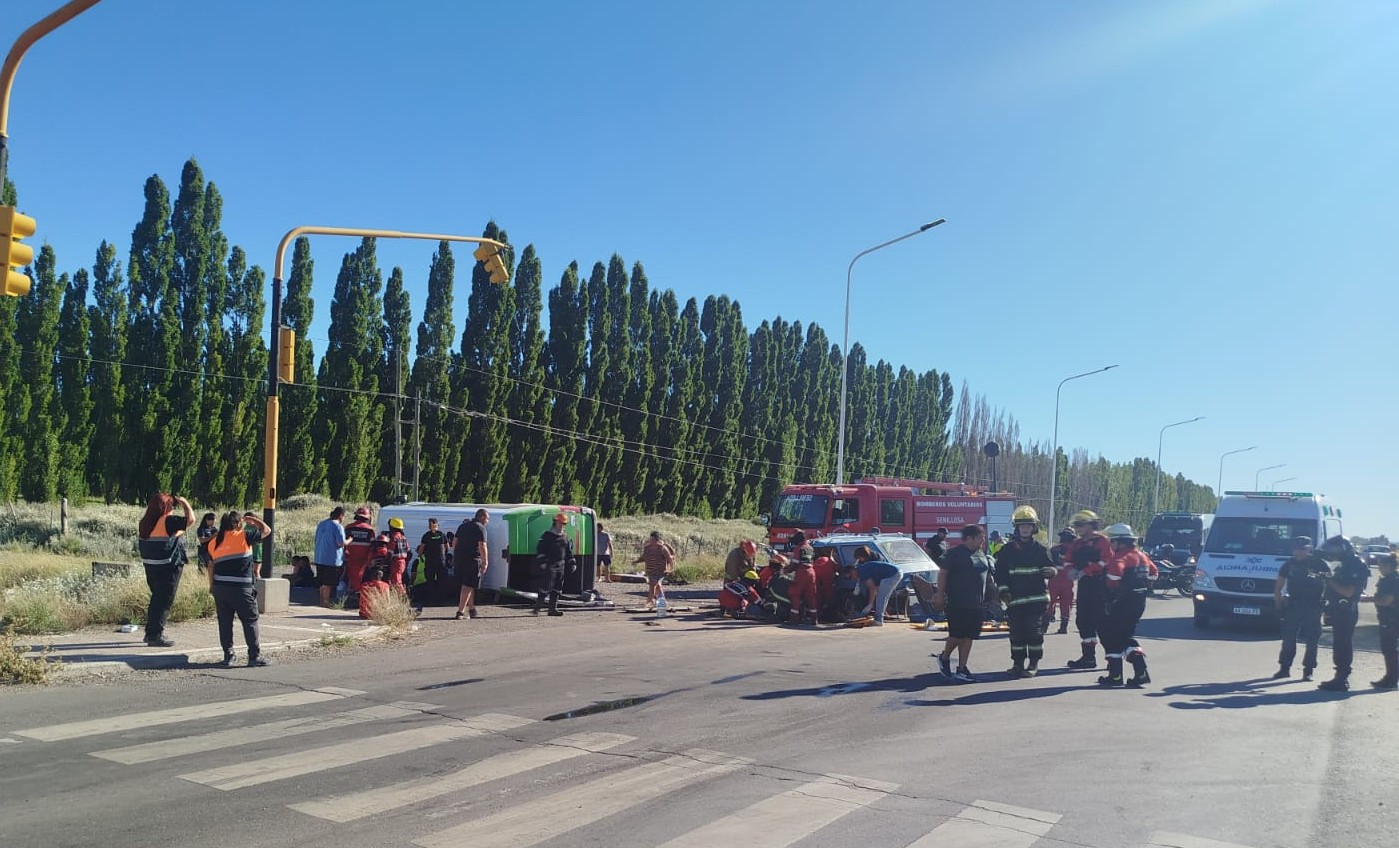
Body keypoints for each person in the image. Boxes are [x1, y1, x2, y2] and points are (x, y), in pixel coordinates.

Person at [204, 511, 271, 667]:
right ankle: (254, 656)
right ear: (238, 523)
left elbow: (211, 566)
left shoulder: (214, 541)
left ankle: (229, 655)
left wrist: (212, 586)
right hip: (241, 588)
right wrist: (254, 520)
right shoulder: (244, 535)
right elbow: (267, 530)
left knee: (225, 623)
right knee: (250, 621)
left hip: (220, 588)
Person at [994, 506, 1056, 678]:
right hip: (1015, 600)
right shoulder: (1007, 551)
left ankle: (1033, 664)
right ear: (1017, 528)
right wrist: (1003, 591)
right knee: (1016, 634)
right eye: (1022, 526)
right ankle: (1017, 664)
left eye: (1028, 525)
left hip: (1036, 600)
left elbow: (1050, 567)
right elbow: (1000, 573)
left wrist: (1052, 571)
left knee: (1034, 633)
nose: (1025, 528)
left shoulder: (1040, 549)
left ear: (1034, 527)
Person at [1097, 523, 1156, 687]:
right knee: (1125, 636)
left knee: (1112, 637)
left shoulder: (1120, 557)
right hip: (1138, 604)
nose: (1111, 545)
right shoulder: (1142, 556)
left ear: (1120, 542)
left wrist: (1109, 592)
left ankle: (1116, 676)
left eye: (1112, 541)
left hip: (1120, 604)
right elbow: (1154, 573)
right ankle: (1140, 672)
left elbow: (1113, 578)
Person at [934, 524, 995, 683]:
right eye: (980, 538)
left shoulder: (981, 554)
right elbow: (943, 573)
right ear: (969, 538)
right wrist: (940, 595)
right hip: (957, 602)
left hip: (976, 603)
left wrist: (993, 595)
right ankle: (944, 657)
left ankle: (962, 668)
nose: (983, 541)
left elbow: (987, 576)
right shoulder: (955, 554)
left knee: (969, 637)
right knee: (956, 636)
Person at [137, 492, 194, 648]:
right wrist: (185, 503)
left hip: (151, 566)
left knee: (156, 600)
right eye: (172, 506)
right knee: (163, 602)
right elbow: (190, 520)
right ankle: (154, 635)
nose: (173, 509)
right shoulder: (168, 521)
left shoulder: (146, 522)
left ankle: (151, 632)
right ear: (166, 507)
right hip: (168, 567)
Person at [1271, 536, 1330, 681]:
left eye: (1303, 549)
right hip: (1293, 606)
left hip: (1313, 605)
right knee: (1289, 639)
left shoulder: (1320, 564)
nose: (1299, 552)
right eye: (1297, 549)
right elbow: (1278, 587)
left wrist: (1328, 606)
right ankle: (1284, 668)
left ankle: (1308, 670)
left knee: (1312, 640)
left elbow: (1330, 584)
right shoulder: (1289, 564)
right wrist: (1278, 607)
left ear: (1310, 549)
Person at [1317, 536, 1369, 692]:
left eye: (1335, 551)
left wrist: (1329, 580)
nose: (1333, 554)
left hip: (1347, 610)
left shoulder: (1356, 565)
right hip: (1338, 610)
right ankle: (1339, 676)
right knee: (1339, 644)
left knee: (1343, 644)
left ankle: (1342, 679)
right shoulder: (1344, 565)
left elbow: (1348, 592)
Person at [1064, 510, 1114, 670]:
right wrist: (1071, 570)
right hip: (1085, 586)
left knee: (1102, 623)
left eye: (1081, 525)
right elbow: (1068, 559)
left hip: (1100, 585)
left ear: (1091, 525)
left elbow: (1106, 560)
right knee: (1083, 620)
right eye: (1076, 526)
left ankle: (1113, 659)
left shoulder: (1102, 541)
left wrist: (1086, 570)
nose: (1078, 529)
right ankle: (1088, 658)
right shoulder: (1077, 544)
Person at [534, 511, 576, 616]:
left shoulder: (565, 537)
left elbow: (568, 552)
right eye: (560, 523)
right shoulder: (547, 535)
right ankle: (537, 608)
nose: (562, 525)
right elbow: (540, 550)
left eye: (564, 524)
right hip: (550, 565)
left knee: (557, 588)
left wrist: (572, 563)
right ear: (555, 522)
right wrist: (543, 563)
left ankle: (552, 609)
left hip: (561, 565)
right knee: (546, 586)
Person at [454, 509, 490, 620]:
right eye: (488, 519)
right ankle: (460, 612)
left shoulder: (462, 526)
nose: (488, 521)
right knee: (468, 586)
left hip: (460, 559)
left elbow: (454, 542)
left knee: (468, 585)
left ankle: (472, 609)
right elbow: (482, 546)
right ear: (482, 517)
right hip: (473, 560)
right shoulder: (481, 528)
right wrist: (485, 562)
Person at [853, 545, 901, 627]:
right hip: (891, 574)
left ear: (863, 556)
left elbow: (872, 588)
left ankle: (879, 620)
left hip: (890, 575)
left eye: (859, 558)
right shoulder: (865, 562)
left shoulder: (876, 558)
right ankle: (879, 616)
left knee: (881, 597)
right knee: (882, 597)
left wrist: (870, 604)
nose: (859, 560)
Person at [1370, 554, 1398, 690]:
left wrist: (1369, 599)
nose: (1379, 567)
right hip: (1390, 618)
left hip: (1392, 619)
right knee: (1389, 649)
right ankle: (1391, 677)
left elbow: (1387, 601)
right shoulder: (1390, 579)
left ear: (1389, 566)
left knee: (1389, 649)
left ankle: (1391, 679)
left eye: (1382, 565)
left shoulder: (1392, 581)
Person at [1043, 528, 1076, 634]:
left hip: (1054, 579)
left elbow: (1047, 563)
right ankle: (1063, 627)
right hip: (1068, 580)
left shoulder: (1054, 549)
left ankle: (1044, 627)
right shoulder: (1075, 550)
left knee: (1049, 603)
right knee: (1066, 604)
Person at [313, 506, 347, 607]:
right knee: (327, 583)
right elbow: (341, 543)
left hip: (319, 557)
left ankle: (321, 601)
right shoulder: (338, 527)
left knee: (321, 581)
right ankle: (325, 603)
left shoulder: (321, 524)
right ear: (341, 515)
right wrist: (349, 540)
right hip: (332, 560)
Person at [414, 517, 449, 613]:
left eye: (431, 524)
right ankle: (441, 600)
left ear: (436, 524)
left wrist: (420, 556)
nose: (430, 526)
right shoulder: (441, 535)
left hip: (432, 562)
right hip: (439, 562)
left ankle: (432, 600)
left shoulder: (428, 535)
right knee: (440, 581)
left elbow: (421, 548)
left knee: (431, 581)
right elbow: (447, 547)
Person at [634, 531, 675, 611]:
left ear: (657, 539)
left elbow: (669, 559)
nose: (651, 541)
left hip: (660, 571)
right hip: (650, 570)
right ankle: (662, 603)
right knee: (658, 586)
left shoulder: (662, 548)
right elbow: (644, 557)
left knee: (653, 585)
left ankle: (649, 601)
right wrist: (636, 561)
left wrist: (670, 569)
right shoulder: (647, 548)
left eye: (653, 539)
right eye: (651, 539)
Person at [343, 506, 376, 593]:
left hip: (350, 558)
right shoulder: (370, 530)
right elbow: (373, 546)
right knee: (360, 579)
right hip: (364, 559)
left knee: (351, 578)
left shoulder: (348, 528)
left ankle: (351, 594)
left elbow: (344, 543)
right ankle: (357, 595)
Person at [787, 546, 819, 625]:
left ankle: (794, 619)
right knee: (811, 596)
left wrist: (787, 570)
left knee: (795, 595)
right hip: (811, 572)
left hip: (801, 572)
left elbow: (795, 564)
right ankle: (814, 619)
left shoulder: (799, 548)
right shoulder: (810, 548)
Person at [386, 517, 410, 588]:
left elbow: (390, 552)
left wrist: (385, 562)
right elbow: (409, 552)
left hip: (396, 562)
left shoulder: (394, 537)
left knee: (397, 582)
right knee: (395, 581)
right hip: (402, 563)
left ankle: (402, 597)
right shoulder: (403, 537)